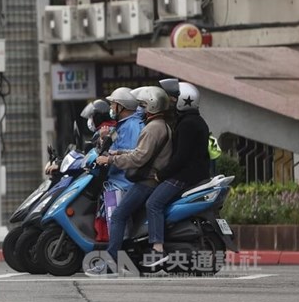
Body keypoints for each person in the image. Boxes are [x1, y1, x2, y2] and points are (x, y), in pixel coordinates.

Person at [86, 86, 173, 276]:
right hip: (150, 178)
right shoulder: (160, 125)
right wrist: (118, 152)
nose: (140, 109)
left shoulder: (151, 129)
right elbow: (138, 152)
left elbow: (138, 158)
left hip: (146, 181)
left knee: (118, 216)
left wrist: (111, 159)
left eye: (143, 105)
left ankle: (111, 263)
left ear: (151, 106)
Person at [143, 82, 210, 268]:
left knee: (153, 203)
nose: (169, 102)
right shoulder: (194, 121)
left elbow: (180, 158)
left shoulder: (187, 125)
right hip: (192, 174)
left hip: (184, 176)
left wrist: (162, 174)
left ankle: (157, 249)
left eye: (173, 99)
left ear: (183, 101)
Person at [104, 87, 145, 191]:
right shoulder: (123, 124)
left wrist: (109, 159)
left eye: (113, 104)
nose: (111, 107)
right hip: (116, 179)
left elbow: (131, 156)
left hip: (124, 183)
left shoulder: (132, 126)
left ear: (122, 106)